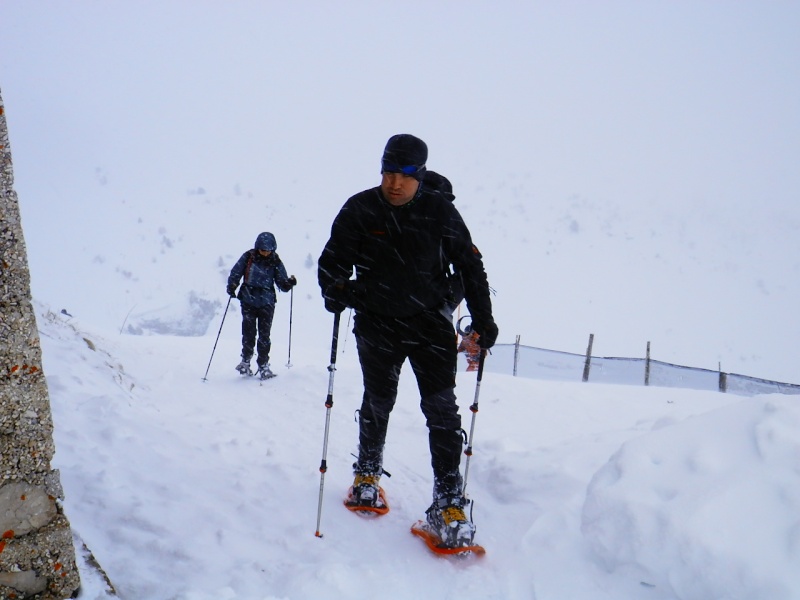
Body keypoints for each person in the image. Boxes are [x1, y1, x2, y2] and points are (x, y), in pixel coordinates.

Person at [317, 134, 498, 548]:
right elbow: (332, 262)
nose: (394, 183)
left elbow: (471, 267)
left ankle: (449, 502)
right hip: (377, 324)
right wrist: (338, 290)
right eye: (388, 172)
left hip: (429, 325)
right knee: (378, 400)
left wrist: (484, 320)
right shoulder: (360, 208)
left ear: (421, 175)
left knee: (442, 412)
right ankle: (367, 472)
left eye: (405, 175)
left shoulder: (440, 212)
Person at [227, 232, 296, 380]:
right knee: (249, 331)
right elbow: (236, 272)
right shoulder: (249, 257)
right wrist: (232, 284)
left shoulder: (273, 261)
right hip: (254, 299)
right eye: (263, 250)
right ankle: (248, 361)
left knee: (264, 334)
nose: (265, 253)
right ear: (257, 247)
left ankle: (261, 364)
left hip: (263, 301)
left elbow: (282, 283)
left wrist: (288, 283)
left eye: (268, 250)